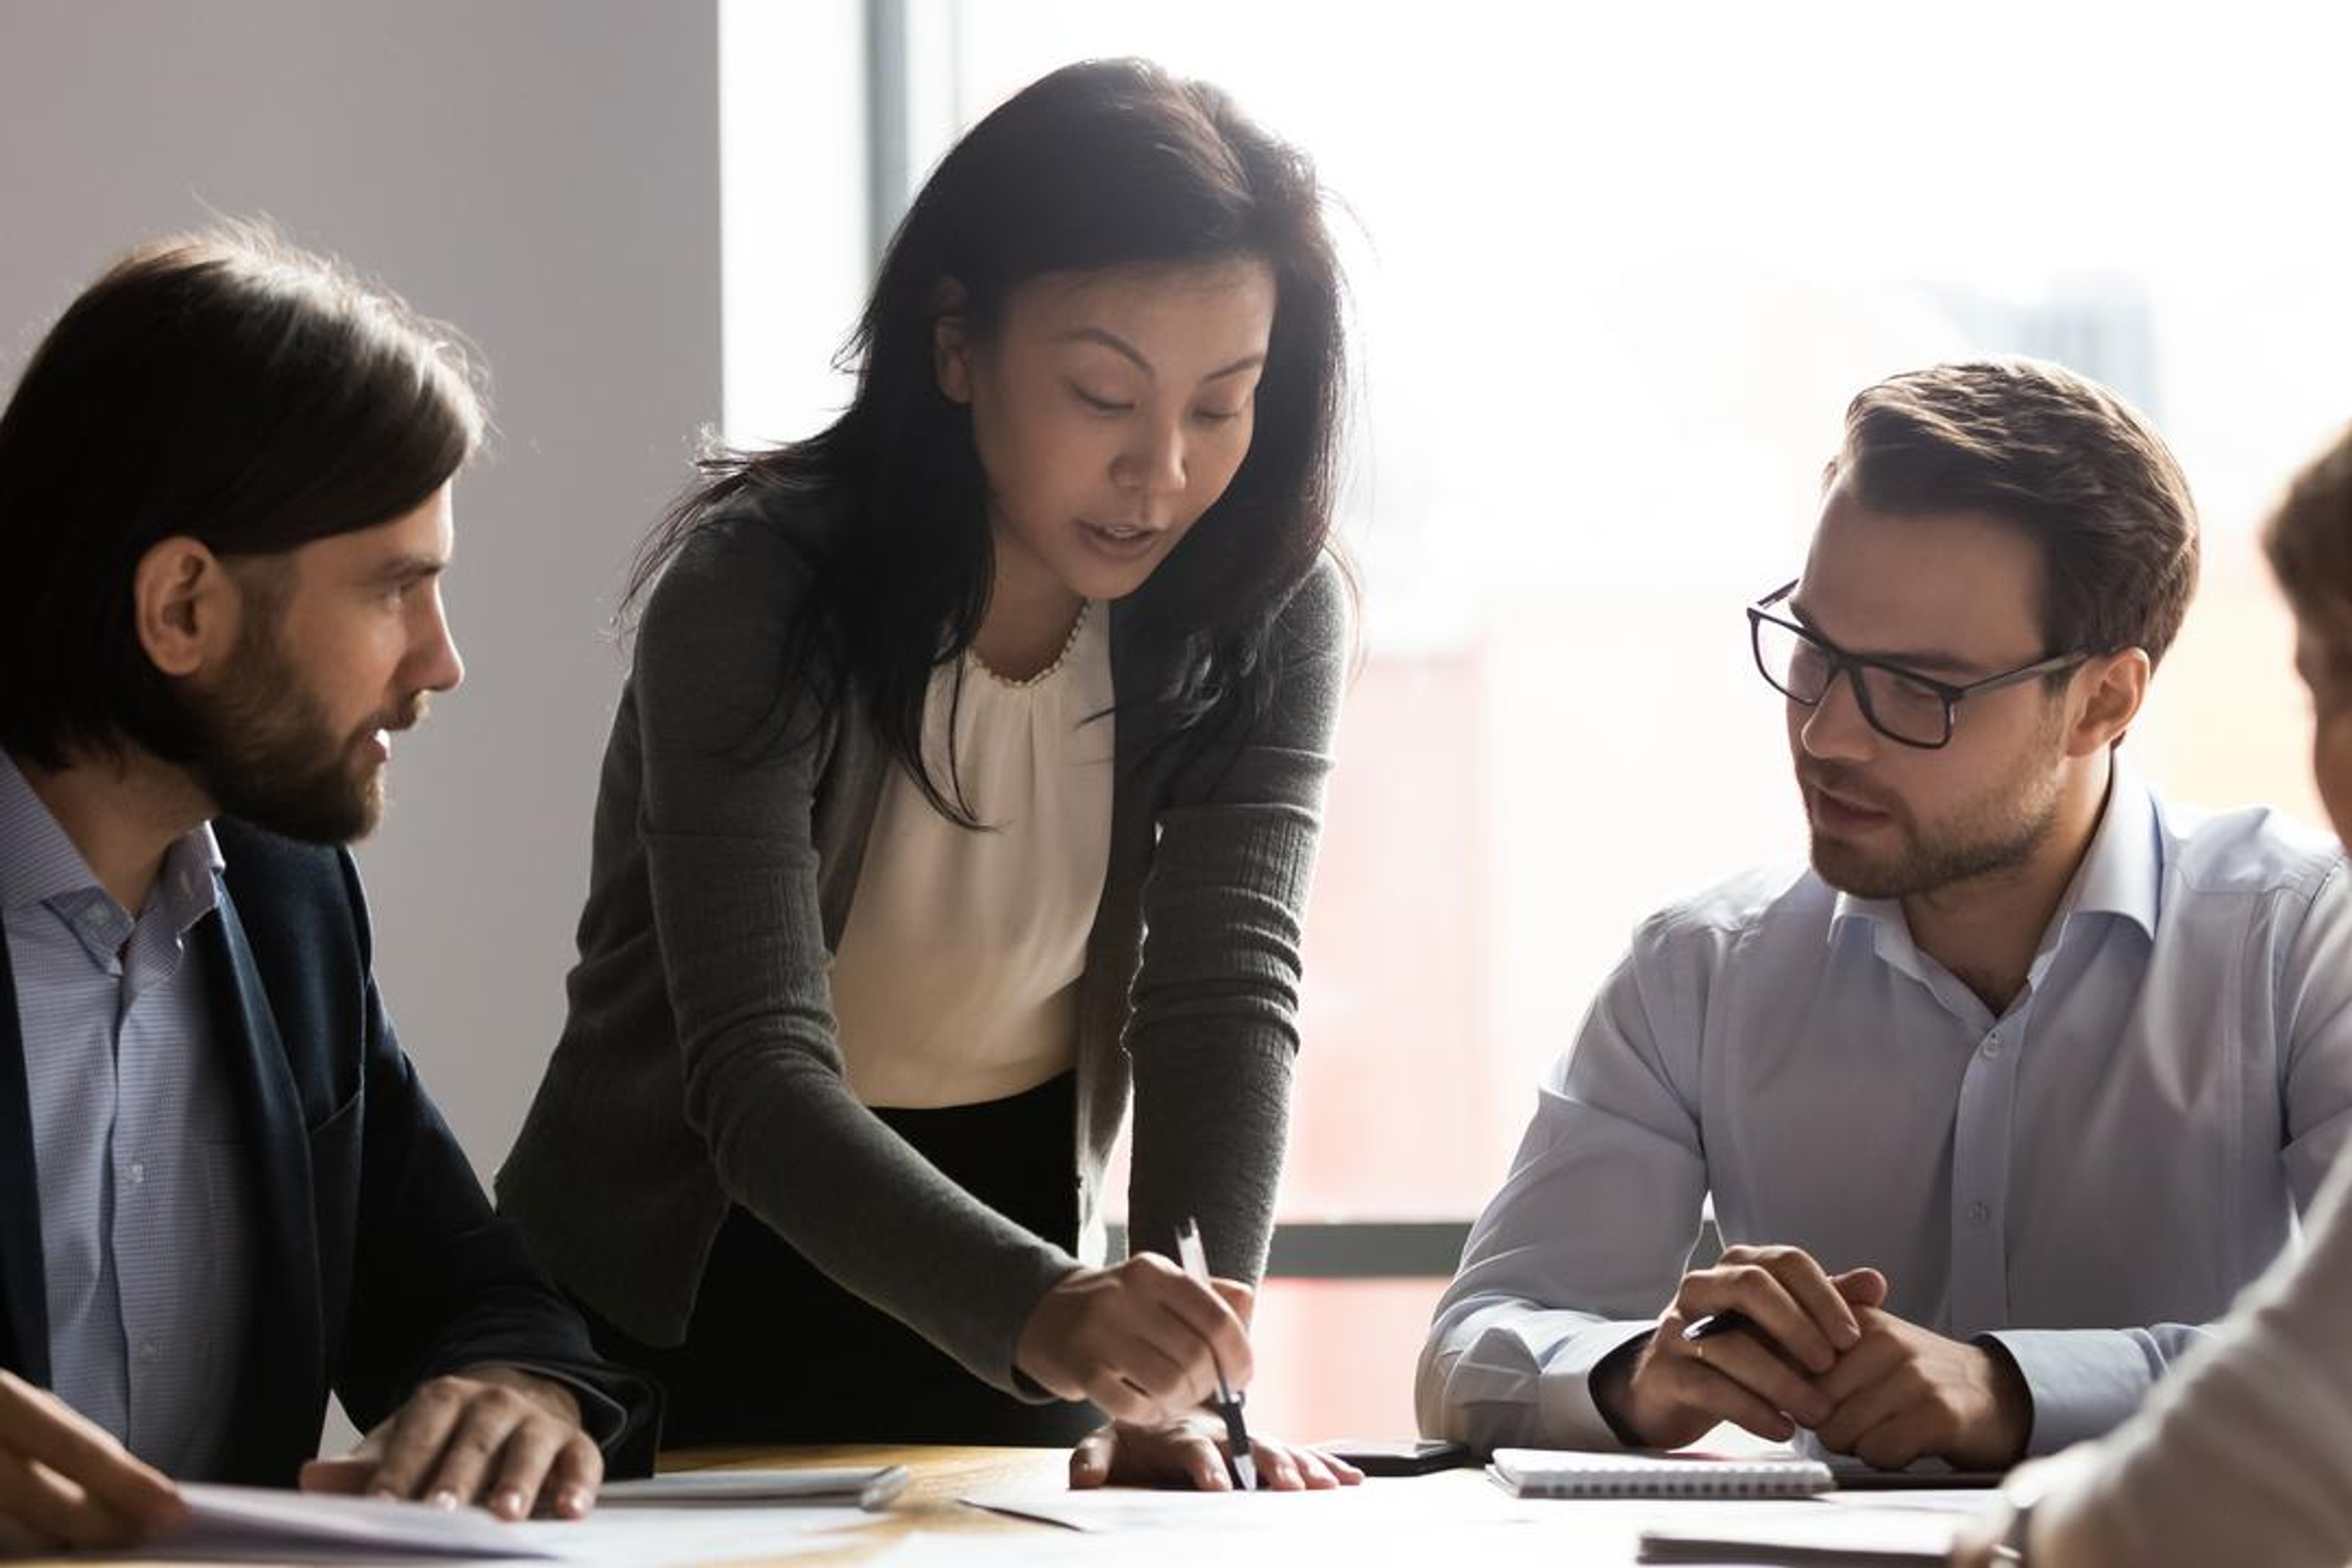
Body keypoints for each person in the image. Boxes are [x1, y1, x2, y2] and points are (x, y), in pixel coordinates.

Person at [497, 59, 1357, 1491]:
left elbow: (1223, 997)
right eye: (1103, 393)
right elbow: (754, 1071)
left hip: (1007, 1276)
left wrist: (1177, 1373)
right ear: (957, 345)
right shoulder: (754, 591)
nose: (1162, 471)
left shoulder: (1263, 610)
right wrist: (1045, 1306)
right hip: (674, 1288)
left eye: (1223, 406)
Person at [1418, 359, 2352, 1474]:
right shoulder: (1701, 971)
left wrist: (2015, 1387)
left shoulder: (2301, 944)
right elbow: (1470, 1352)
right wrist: (1637, 1372)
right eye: (1816, 652)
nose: (1826, 737)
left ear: (2103, 701)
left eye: (1918, 688)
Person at [0, 230, 653, 1556]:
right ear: (182, 605)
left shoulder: (292, 905)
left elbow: (480, 1293)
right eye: (396, 587)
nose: (442, 659)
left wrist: (513, 1394)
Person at [1951, 424, 2352, 1566]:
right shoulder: (1700, 953)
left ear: (2103, 703)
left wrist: (2014, 1430)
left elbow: (2188, 1506)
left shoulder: (2294, 921)